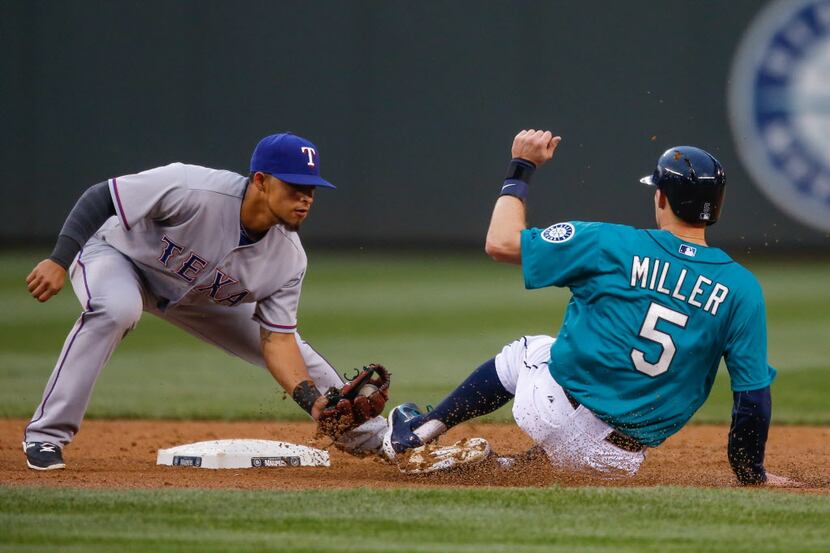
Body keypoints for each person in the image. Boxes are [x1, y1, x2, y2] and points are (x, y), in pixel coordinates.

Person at [383, 129, 795, 486]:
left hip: (551, 410)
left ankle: (416, 433)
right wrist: (751, 474)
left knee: (526, 351)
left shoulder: (609, 242)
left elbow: (500, 242)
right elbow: (752, 399)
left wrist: (521, 167)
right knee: (576, 439)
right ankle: (502, 468)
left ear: (662, 197)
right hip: (616, 461)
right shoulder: (741, 287)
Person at [23, 132, 386, 470]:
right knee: (116, 309)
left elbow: (277, 341)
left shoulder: (289, 258)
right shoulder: (192, 187)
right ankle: (45, 436)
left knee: (297, 349)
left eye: (311, 189)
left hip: (198, 296)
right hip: (120, 257)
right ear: (261, 181)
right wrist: (59, 258)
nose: (305, 197)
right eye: (294, 186)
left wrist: (312, 401)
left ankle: (376, 438)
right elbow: (101, 195)